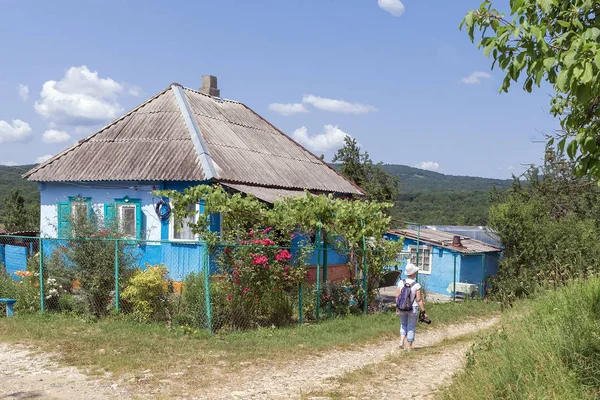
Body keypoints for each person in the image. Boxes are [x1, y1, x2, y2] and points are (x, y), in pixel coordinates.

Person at [396, 263, 427, 350]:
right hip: (413, 308)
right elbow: (419, 299)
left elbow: (397, 296)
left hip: (402, 307)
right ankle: (409, 346)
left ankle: (401, 340)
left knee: (403, 324)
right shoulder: (416, 285)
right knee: (411, 326)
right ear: (413, 273)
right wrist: (423, 311)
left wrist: (397, 307)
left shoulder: (400, 283)